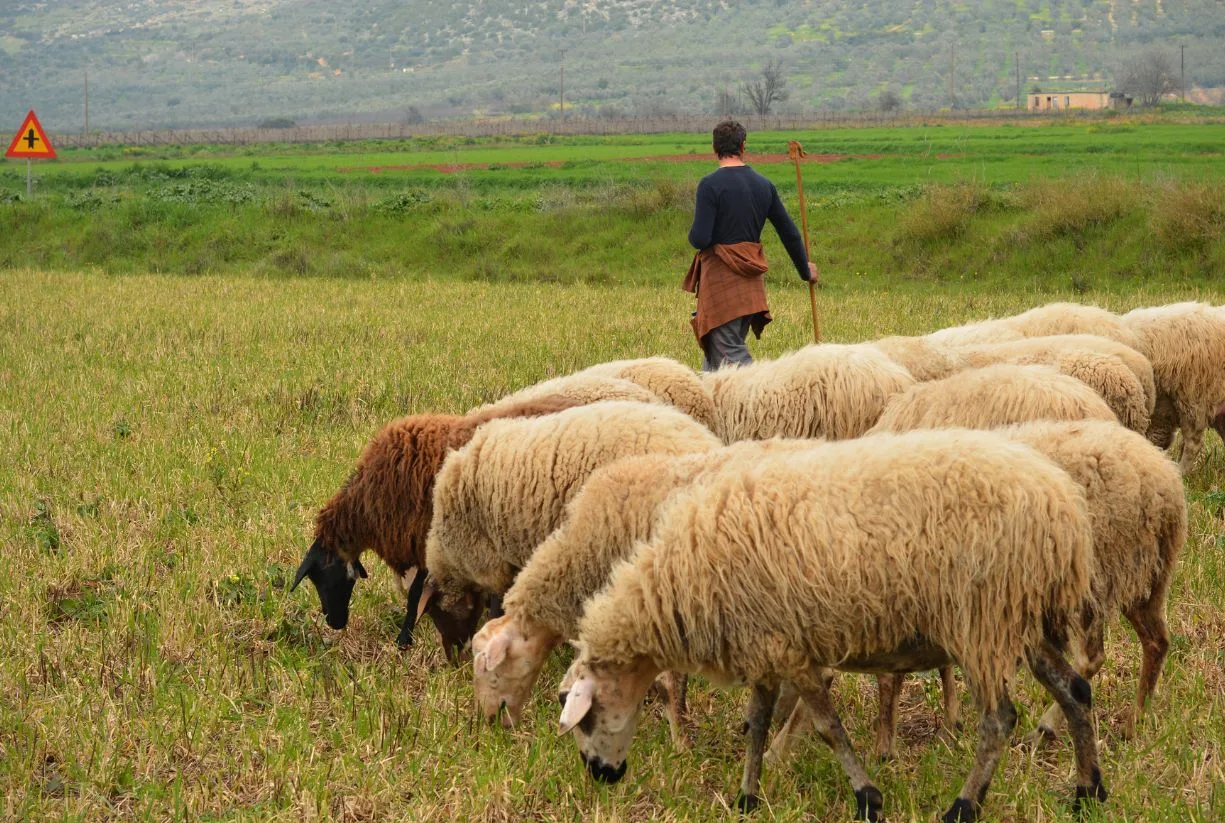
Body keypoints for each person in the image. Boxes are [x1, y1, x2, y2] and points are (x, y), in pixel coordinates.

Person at [683, 120, 820, 372]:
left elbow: (700, 238)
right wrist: (805, 270)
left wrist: (693, 233)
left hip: (722, 284)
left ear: (714, 148)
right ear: (743, 146)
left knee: (731, 356)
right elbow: (789, 234)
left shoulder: (710, 185)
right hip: (751, 287)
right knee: (716, 355)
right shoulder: (763, 185)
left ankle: (766, 395)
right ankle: (707, 398)